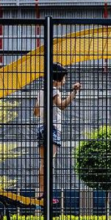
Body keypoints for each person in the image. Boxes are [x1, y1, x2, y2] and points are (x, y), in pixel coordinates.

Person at [35, 62, 81, 201]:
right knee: (50, 163)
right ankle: (47, 194)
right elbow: (62, 106)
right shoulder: (54, 90)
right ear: (58, 79)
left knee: (43, 163)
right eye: (64, 78)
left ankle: (41, 193)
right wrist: (74, 93)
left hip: (41, 128)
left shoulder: (42, 91)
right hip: (52, 129)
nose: (65, 81)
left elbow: (36, 112)